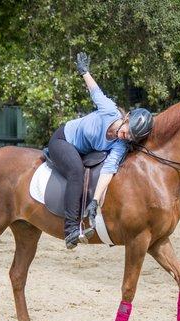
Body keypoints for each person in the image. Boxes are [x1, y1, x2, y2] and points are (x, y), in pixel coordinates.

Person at [47, 52, 153, 249]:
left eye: (131, 138)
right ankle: (70, 229)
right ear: (126, 119)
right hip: (64, 139)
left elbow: (108, 170)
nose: (125, 137)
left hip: (82, 150)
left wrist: (95, 201)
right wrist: (84, 71)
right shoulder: (109, 110)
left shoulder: (120, 145)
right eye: (127, 132)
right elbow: (95, 91)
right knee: (76, 171)